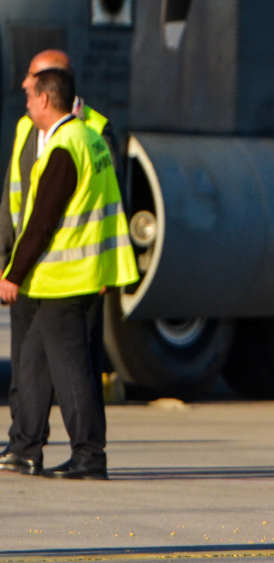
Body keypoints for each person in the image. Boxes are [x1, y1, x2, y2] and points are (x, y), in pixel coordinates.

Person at [0, 68, 137, 479]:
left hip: (64, 279)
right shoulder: (89, 137)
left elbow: (42, 221)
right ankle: (26, 448)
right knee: (34, 362)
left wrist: (13, 273)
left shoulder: (64, 147)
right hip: (76, 275)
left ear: (46, 99)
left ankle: (89, 455)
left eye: (31, 96)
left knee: (70, 370)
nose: (26, 104)